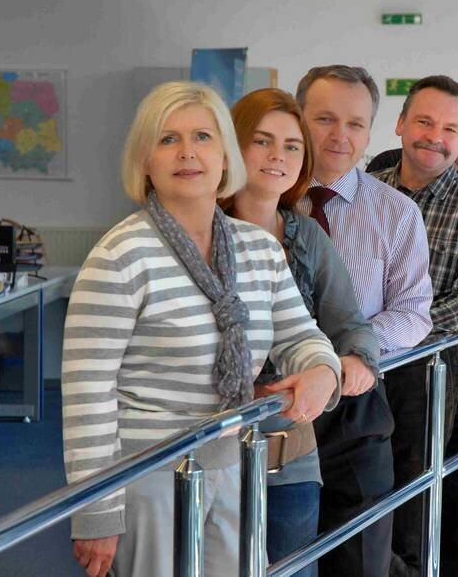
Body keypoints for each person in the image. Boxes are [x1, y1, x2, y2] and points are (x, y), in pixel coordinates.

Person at [61, 81, 342, 577]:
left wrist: (323, 370)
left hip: (236, 464)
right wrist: (97, 512)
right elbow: (88, 395)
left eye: (203, 137)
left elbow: (301, 336)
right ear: (144, 161)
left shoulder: (260, 249)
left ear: (226, 155)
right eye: (167, 139)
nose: (187, 152)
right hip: (148, 476)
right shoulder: (120, 256)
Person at [223, 87, 380, 577]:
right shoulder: (201, 232)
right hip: (214, 452)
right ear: (232, 146)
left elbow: (349, 324)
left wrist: (352, 361)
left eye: (292, 146)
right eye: (262, 141)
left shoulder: (305, 234)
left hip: (291, 455)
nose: (278, 156)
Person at [295, 65, 433, 577]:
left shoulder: (397, 213)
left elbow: (413, 313)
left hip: (355, 401)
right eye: (325, 119)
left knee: (360, 557)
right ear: (298, 119)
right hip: (275, 400)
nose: (340, 135)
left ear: (371, 132)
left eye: (355, 123)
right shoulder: (260, 203)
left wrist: (348, 351)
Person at [371, 75, 458, 577]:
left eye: (450, 128)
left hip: (430, 372)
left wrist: (385, 335)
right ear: (400, 123)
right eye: (424, 122)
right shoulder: (365, 190)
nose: (435, 137)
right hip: (356, 367)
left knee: (420, 506)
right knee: (359, 499)